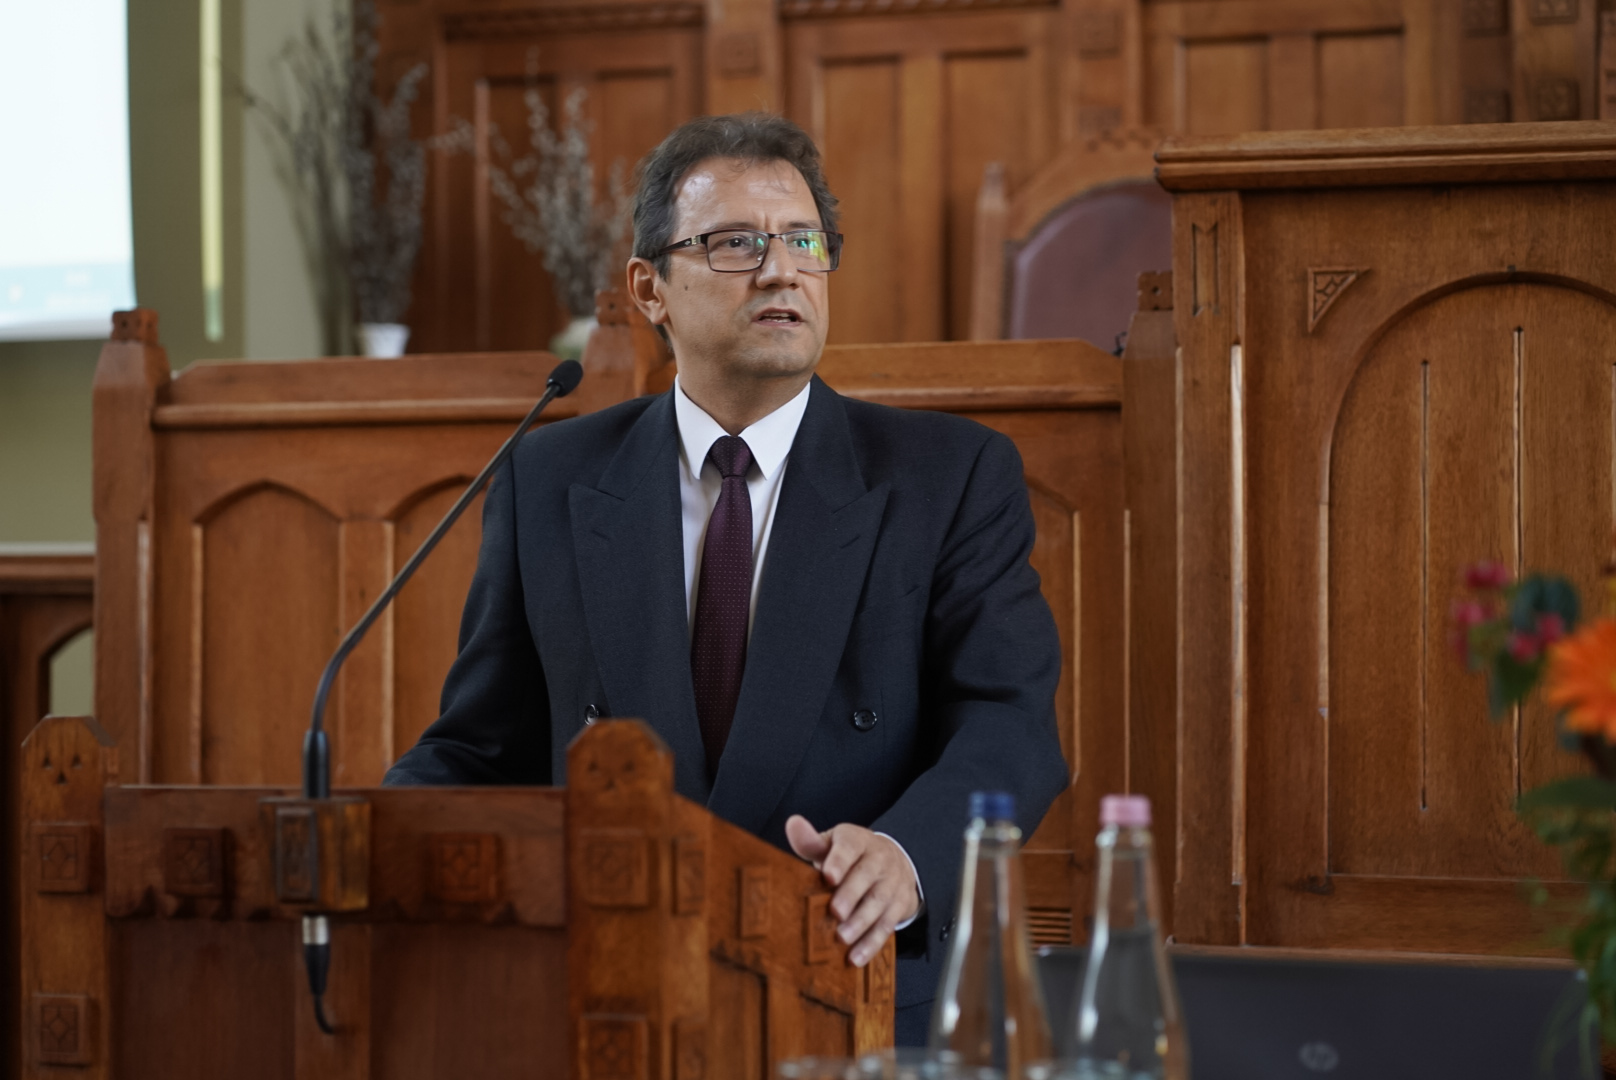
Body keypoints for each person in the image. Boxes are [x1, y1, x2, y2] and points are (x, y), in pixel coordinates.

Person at [384, 112, 1067, 1044]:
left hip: (849, 988)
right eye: (737, 243)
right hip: (615, 991)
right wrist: (369, 835)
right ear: (649, 289)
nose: (782, 270)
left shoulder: (948, 476)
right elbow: (483, 746)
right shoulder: (547, 478)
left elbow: (1012, 726)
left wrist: (906, 855)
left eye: (804, 242)